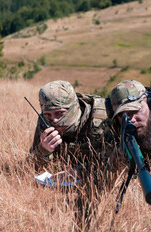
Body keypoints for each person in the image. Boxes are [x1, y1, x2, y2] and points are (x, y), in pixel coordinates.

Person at [28, 80, 117, 230]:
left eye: (60, 113)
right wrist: (43, 151)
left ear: (74, 107)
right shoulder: (45, 120)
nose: (54, 120)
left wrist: (81, 171)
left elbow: (119, 163)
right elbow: (31, 167)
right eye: (48, 114)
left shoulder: (103, 118)